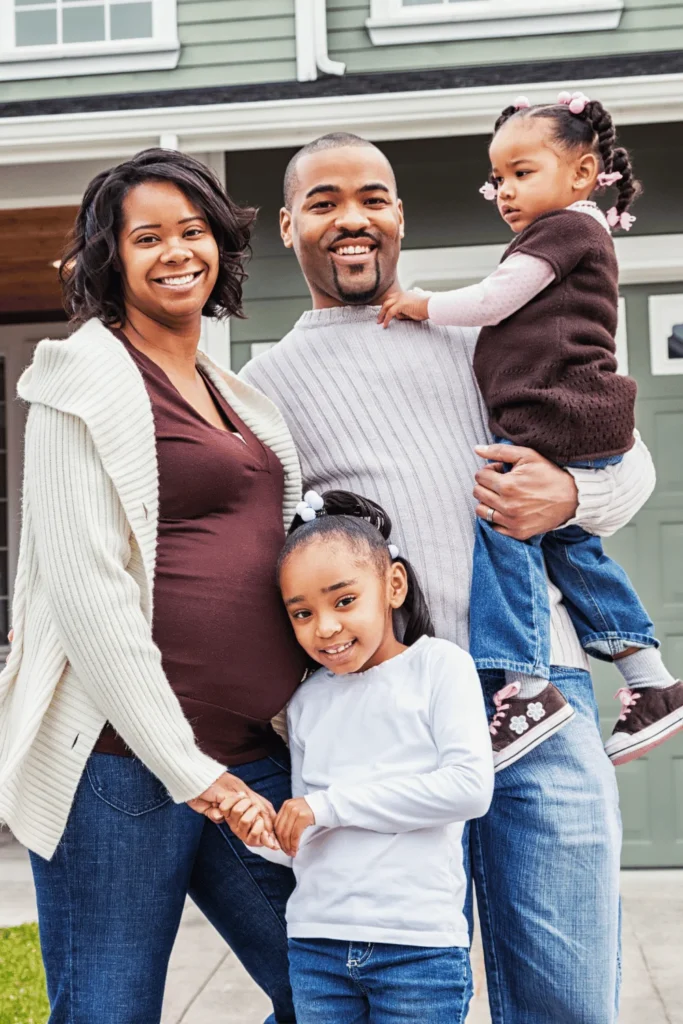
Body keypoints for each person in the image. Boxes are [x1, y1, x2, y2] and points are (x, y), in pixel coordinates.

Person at [239, 130, 657, 1023]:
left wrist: (567, 494)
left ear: (399, 214)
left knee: (567, 998)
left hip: (536, 696)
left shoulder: (482, 325)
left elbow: (631, 475)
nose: (352, 219)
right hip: (387, 722)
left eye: (373, 198)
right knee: (404, 995)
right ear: (286, 226)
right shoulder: (263, 386)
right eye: (323, 202)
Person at [0, 148, 306, 1024]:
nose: (177, 251)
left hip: (250, 754)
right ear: (112, 256)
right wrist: (191, 774)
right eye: (148, 237)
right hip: (122, 768)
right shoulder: (80, 381)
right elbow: (89, 597)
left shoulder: (232, 389)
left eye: (194, 230)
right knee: (108, 1011)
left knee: (334, 987)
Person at [378, 92, 683, 769]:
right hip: (574, 416)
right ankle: (650, 679)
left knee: (504, 524)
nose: (505, 191)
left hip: (560, 414)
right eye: (498, 177)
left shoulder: (564, 230)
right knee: (571, 548)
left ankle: (525, 684)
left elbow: (492, 300)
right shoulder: (572, 230)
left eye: (523, 172)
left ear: (580, 174)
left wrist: (418, 303)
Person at [224, 489, 493, 1024]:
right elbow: (310, 836)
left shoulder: (441, 668)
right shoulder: (305, 702)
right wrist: (265, 836)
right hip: (316, 945)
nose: (324, 628)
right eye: (302, 613)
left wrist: (328, 807)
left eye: (343, 601)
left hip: (416, 949)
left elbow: (470, 788)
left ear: (393, 585)